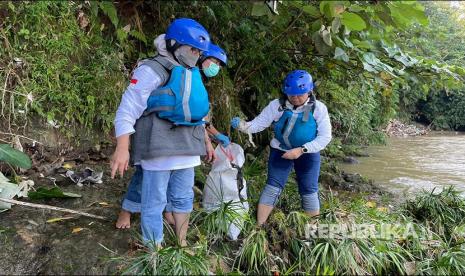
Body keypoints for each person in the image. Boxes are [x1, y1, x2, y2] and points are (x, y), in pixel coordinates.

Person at [111, 18, 216, 247]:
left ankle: (182, 243)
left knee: (183, 199)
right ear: (174, 44)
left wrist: (207, 143)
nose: (196, 54)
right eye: (192, 48)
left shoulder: (190, 72)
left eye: (199, 51)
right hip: (158, 148)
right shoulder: (152, 69)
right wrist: (122, 147)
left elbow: (195, 113)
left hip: (188, 149)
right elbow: (128, 108)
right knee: (154, 202)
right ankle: (154, 250)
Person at [231, 70, 332, 225]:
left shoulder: (318, 108)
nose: (296, 99)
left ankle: (311, 231)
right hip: (281, 150)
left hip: (308, 153)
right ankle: (259, 227)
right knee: (272, 186)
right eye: (292, 95)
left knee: (309, 190)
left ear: (310, 91)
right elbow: (259, 124)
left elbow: (325, 137)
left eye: (300, 95)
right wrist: (243, 126)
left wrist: (301, 150)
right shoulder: (277, 105)